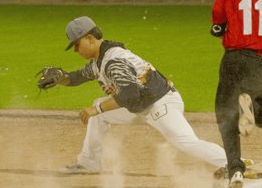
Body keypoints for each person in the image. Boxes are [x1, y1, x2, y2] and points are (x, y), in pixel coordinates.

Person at [47, 16, 228, 175]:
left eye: (77, 44)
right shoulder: (99, 60)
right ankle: (89, 161)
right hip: (142, 104)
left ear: (89, 38)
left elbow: (130, 95)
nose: (76, 50)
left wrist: (97, 109)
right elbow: (77, 77)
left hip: (161, 104)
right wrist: (60, 78)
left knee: (186, 143)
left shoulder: (113, 61)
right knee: (99, 114)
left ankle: (234, 163)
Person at [211, 0, 262, 188]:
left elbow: (217, 28)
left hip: (234, 59)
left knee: (226, 115)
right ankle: (254, 109)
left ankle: (235, 171)